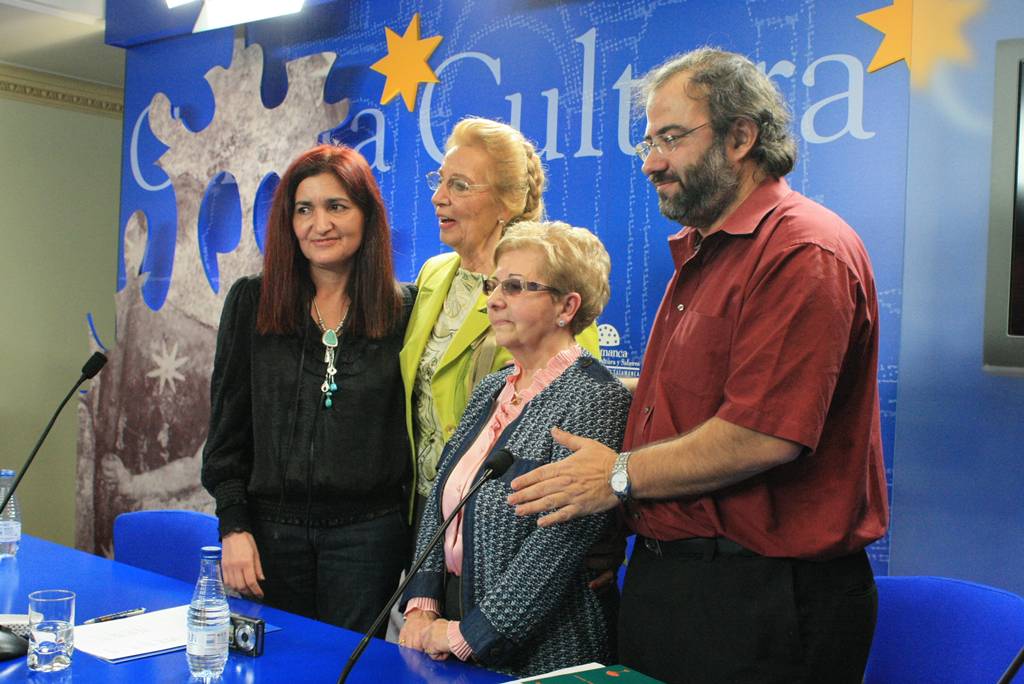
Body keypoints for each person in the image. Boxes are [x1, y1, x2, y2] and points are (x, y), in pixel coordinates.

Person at [508, 47, 889, 683]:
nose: (652, 162)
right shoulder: (705, 251)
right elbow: (688, 399)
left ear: (742, 137)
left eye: (673, 138)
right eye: (649, 141)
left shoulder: (803, 251)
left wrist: (620, 476)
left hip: (762, 600)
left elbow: (763, 433)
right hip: (677, 584)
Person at [398, 221, 631, 677]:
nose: (495, 299)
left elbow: (558, 545)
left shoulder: (595, 397)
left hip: (546, 652)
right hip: (451, 631)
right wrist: (422, 604)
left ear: (567, 306)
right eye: (494, 284)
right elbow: (443, 494)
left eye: (517, 286)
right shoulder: (492, 390)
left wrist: (471, 636)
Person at [201, 144, 414, 633]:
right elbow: (226, 436)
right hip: (269, 535)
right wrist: (234, 526)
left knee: (348, 673)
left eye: (337, 206)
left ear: (367, 216)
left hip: (370, 540)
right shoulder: (251, 302)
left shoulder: (406, 310)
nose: (320, 224)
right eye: (304, 209)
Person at [400, 117, 599, 519]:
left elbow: (574, 416)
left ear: (507, 202)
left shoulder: (547, 287)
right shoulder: (433, 274)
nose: (438, 197)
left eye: (459, 185)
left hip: (501, 516)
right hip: (421, 510)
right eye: (439, 181)